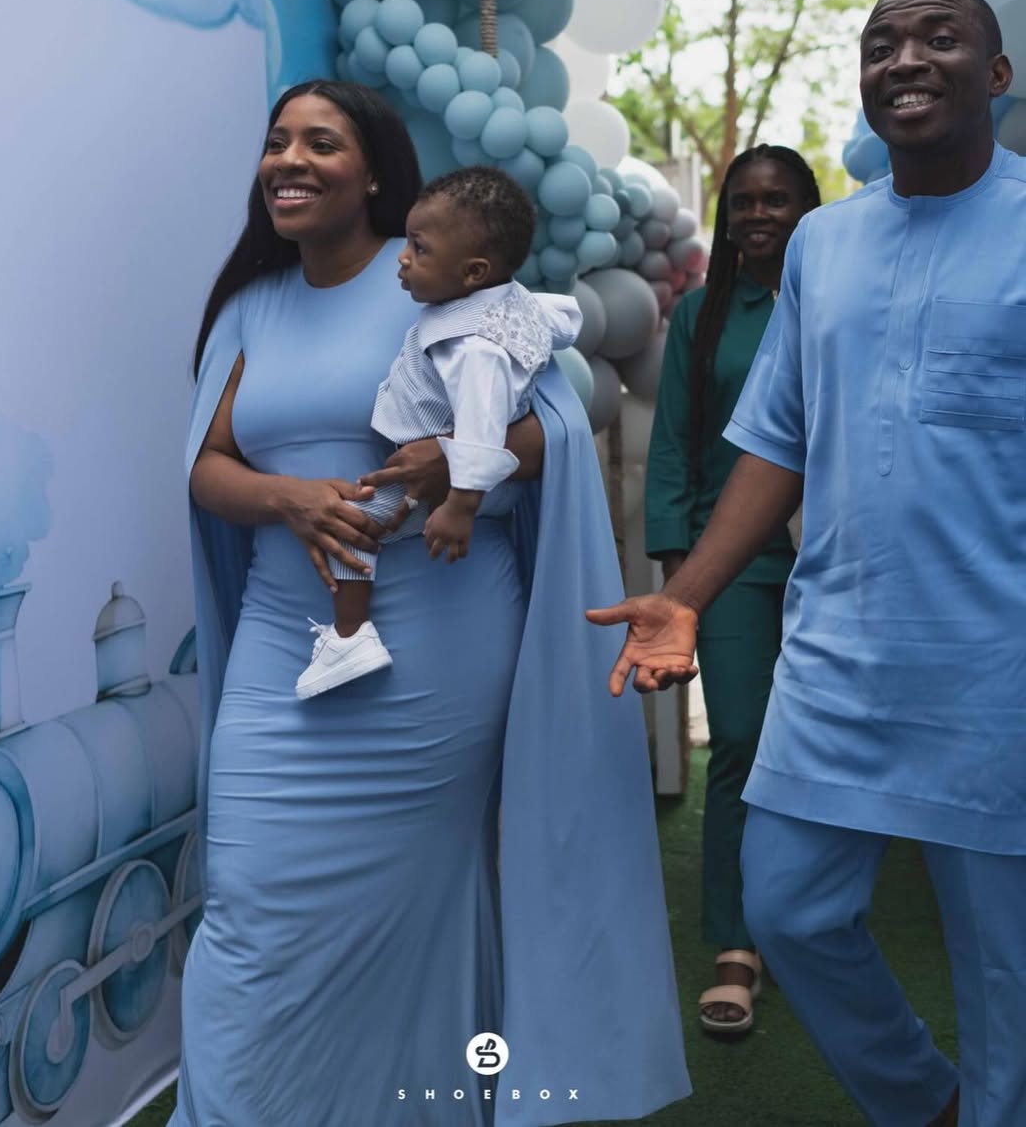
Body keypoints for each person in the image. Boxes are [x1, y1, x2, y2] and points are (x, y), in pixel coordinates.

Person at [172, 79, 690, 1126]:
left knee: (408, 902)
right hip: (286, 648)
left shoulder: (455, 288)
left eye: (321, 142)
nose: (291, 160)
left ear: (374, 174)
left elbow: (548, 441)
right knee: (246, 904)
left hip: (439, 649)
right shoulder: (248, 309)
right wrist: (290, 499)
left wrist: (459, 459)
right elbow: (207, 467)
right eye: (277, 142)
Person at [589, 0, 1024, 1127]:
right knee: (783, 905)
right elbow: (776, 445)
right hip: (839, 655)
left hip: (998, 663)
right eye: (882, 43)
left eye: (942, 37)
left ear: (997, 75)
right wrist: (683, 595)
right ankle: (923, 1098)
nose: (906, 58)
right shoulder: (823, 246)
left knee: (1007, 974)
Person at [645, 144, 820, 1036]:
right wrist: (680, 580)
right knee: (744, 740)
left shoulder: (836, 300)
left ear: (807, 209)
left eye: (777, 200)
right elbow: (673, 442)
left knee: (823, 745)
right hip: (734, 561)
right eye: (744, 202)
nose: (759, 215)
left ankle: (816, 923)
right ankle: (737, 941)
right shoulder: (700, 316)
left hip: (838, 559)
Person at [295, 165, 580, 700]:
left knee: (349, 527)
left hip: (426, 473)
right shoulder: (507, 303)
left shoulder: (473, 348)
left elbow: (478, 431)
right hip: (435, 469)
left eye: (420, 250)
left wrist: (460, 506)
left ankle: (350, 637)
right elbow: (556, 320)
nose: (403, 258)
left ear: (473, 272)